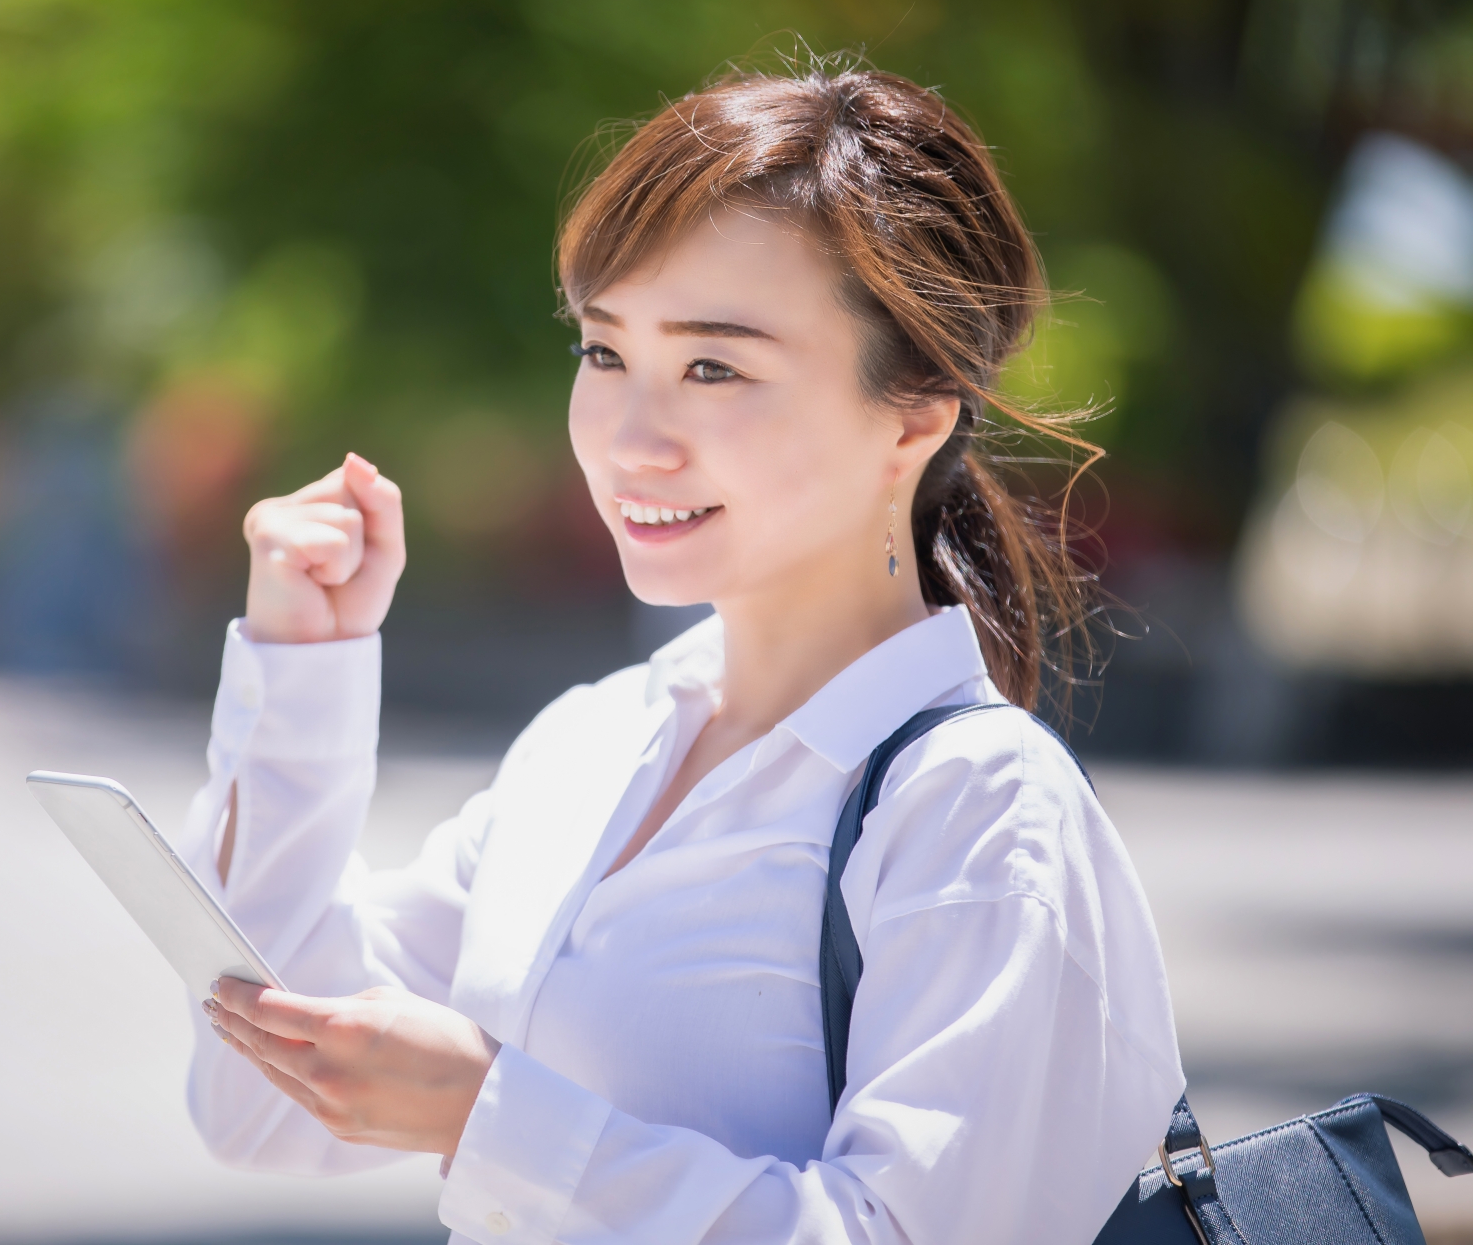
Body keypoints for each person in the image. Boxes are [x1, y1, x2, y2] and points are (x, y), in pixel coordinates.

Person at [182, 64, 1184, 1245]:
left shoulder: (978, 810)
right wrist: (306, 671)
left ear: (916, 415)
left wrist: (490, 1117)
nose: (631, 438)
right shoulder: (594, 740)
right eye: (605, 353)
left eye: (714, 366)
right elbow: (257, 1103)